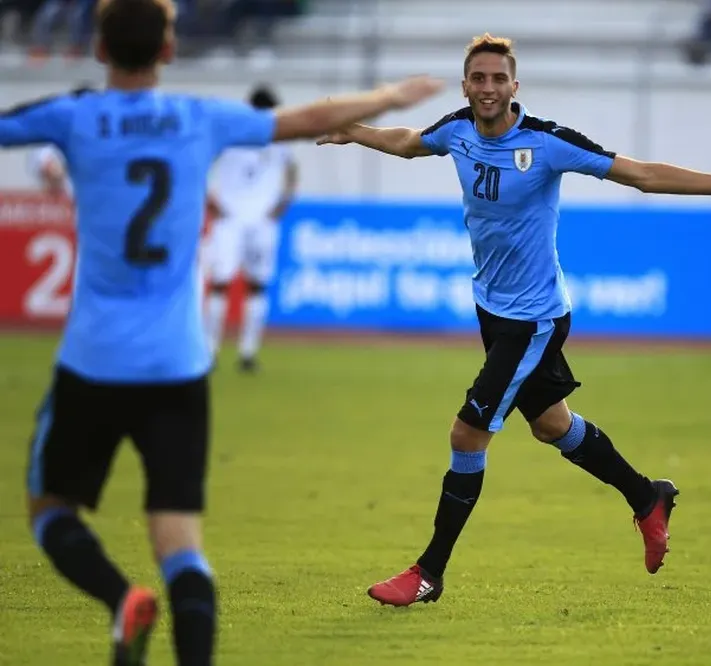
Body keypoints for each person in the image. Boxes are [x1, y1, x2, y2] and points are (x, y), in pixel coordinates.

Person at [1, 0, 443, 664]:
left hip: (95, 357)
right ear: (169, 51)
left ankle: (121, 599)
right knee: (181, 545)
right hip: (178, 364)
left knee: (50, 510)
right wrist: (389, 94)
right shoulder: (198, 118)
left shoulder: (74, 116)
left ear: (97, 47)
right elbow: (307, 120)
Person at [317, 33, 711, 608]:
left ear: (514, 86)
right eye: (479, 79)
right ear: (466, 85)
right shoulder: (457, 129)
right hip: (492, 310)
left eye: (499, 79)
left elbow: (639, 173)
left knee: (467, 433)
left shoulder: (548, 143)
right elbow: (407, 143)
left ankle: (429, 571)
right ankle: (647, 496)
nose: (489, 88)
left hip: (534, 319)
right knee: (551, 426)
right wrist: (355, 133)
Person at [203, 84, 297, 373]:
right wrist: (283, 203)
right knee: (255, 288)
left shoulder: (230, 135)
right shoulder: (278, 136)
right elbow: (293, 173)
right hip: (257, 220)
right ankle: (246, 354)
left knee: (222, 286)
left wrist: (209, 198)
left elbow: (202, 163)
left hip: (231, 218)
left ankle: (211, 352)